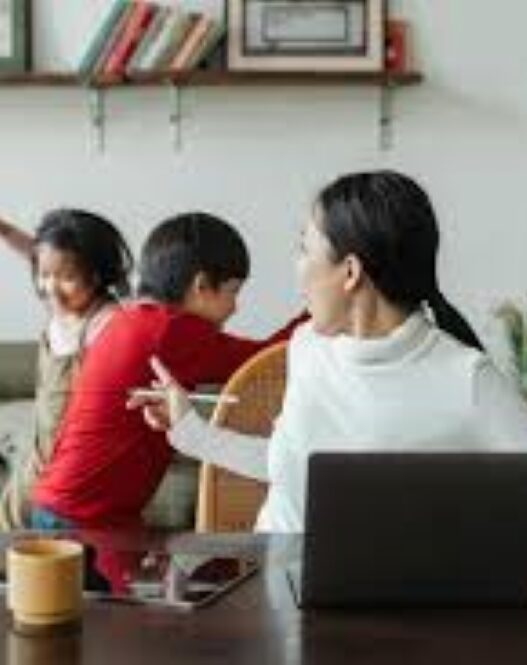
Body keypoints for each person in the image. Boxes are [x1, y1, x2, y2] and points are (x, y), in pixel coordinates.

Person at [128, 170, 527, 533]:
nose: (297, 269)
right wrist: (190, 431)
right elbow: (291, 465)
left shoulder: (467, 379)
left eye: (304, 249)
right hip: (275, 577)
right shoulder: (307, 347)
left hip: (390, 587)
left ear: (350, 272)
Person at [31, 212, 305, 530]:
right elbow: (265, 359)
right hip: (85, 517)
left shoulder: (133, 319)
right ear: (201, 286)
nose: (235, 307)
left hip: (66, 504)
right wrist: (318, 308)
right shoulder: (171, 331)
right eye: (233, 291)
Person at [0, 210, 132, 529]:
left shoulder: (104, 321)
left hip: (71, 476)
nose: (51, 287)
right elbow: (41, 255)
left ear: (97, 275)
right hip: (38, 462)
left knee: (53, 549)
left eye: (67, 278)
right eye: (43, 275)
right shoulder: (65, 303)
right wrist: (4, 230)